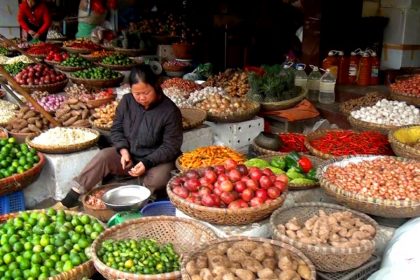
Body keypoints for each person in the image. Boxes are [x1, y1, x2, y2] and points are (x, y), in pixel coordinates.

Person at [55, 64, 183, 209]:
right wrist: (123, 151)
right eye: (137, 93)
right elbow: (116, 129)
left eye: (146, 93)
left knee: (160, 177)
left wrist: (147, 162)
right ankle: (71, 198)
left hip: (157, 160)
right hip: (130, 156)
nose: (141, 98)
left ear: (156, 86)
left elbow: (171, 146)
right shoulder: (127, 101)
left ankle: (139, 199)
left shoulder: (170, 111)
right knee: (103, 157)